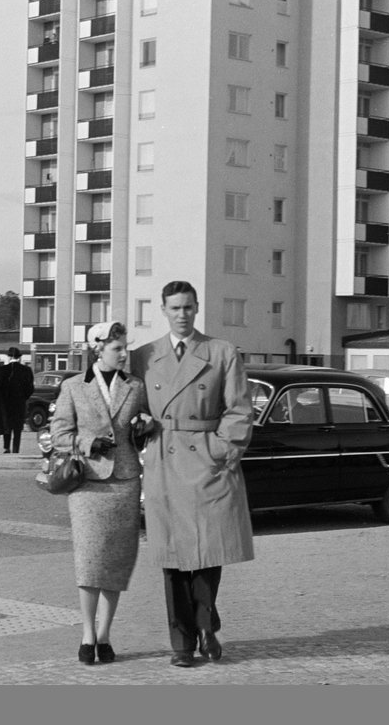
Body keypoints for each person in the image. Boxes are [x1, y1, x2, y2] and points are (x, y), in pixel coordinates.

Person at [130, 281, 254, 668]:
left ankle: (205, 625)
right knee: (172, 557)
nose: (182, 314)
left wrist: (220, 451)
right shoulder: (144, 356)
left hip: (206, 462)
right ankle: (182, 642)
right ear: (163, 311)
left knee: (207, 551)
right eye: (175, 308)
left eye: (188, 307)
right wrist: (139, 426)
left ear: (197, 308)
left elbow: (239, 410)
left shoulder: (221, 352)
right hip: (165, 462)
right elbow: (130, 406)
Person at [49, 320, 147, 665]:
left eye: (125, 348)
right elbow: (59, 435)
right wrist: (89, 442)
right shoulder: (74, 386)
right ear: (97, 349)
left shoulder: (135, 386)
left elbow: (143, 428)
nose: (123, 354)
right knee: (90, 562)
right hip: (88, 484)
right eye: (117, 348)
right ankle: (87, 634)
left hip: (125, 481)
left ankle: (105, 635)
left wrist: (144, 428)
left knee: (116, 563)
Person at [0, 346, 35, 454]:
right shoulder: (26, 370)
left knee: (7, 425)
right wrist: (24, 397)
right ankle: (16, 448)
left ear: (9, 357)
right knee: (17, 427)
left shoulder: (3, 370)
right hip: (20, 402)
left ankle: (6, 447)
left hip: (6, 402)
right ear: (19, 357)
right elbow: (30, 388)